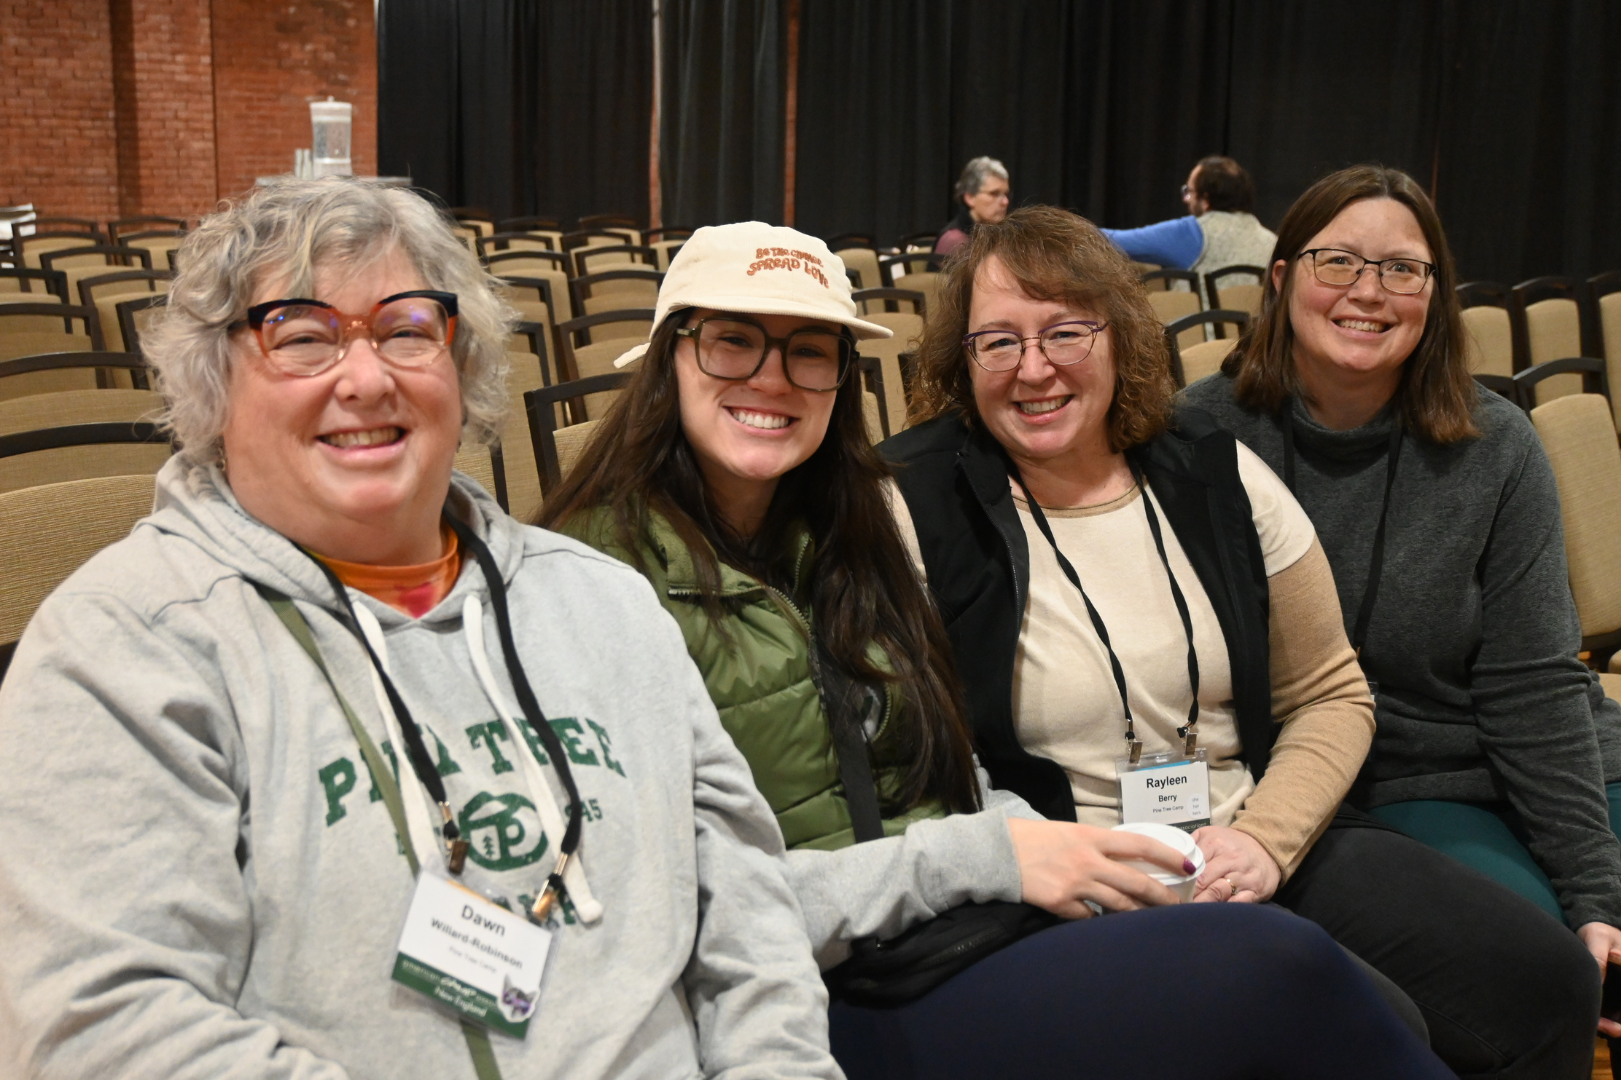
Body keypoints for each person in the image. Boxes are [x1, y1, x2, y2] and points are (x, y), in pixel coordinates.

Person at [540, 220, 1450, 1080]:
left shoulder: (846, 535)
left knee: (1375, 1006)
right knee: (1276, 971)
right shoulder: (588, 589)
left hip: (953, 928)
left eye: (807, 351)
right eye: (732, 342)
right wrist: (995, 856)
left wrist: (1057, 849)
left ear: (840, 380)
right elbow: (659, 907)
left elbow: (947, 768)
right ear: (668, 358)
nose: (771, 379)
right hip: (804, 987)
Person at [0, 179, 842, 1080]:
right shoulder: (119, 647)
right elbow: (99, 1032)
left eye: (406, 330)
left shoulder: (608, 603)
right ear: (214, 385)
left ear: (459, 367)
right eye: (302, 336)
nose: (367, 379)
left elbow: (749, 920)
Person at [885, 202, 1607, 1079]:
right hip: (1072, 877)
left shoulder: (1214, 469)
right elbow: (909, 766)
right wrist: (1056, 857)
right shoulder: (911, 503)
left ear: (1119, 339)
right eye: (997, 342)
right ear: (961, 362)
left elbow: (1330, 692)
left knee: (1546, 982)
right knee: (1377, 1024)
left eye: (1066, 333)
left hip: (1252, 832)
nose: (1033, 368)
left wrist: (1265, 839)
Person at [1184, 164, 1621, 1067]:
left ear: (1433, 293)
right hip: (1393, 781)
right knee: (1530, 976)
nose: (1367, 292)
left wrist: (1595, 888)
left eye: (1400, 270)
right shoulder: (1196, 436)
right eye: (1338, 261)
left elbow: (1533, 687)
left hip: (1541, 754)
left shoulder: (1494, 444)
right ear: (1280, 278)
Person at [1100, 155, 1276, 300]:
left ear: (1205, 200)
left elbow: (1113, 241)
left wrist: (1080, 228)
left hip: (1200, 332)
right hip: (1256, 333)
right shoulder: (1272, 241)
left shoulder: (1193, 233)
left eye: (1189, 191)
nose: (1185, 199)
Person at [934, 157, 1009, 256]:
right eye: (994, 194)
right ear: (970, 198)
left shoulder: (999, 236)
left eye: (1006, 194)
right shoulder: (954, 240)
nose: (1005, 201)